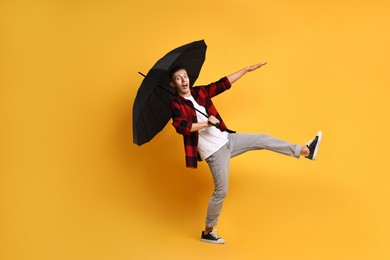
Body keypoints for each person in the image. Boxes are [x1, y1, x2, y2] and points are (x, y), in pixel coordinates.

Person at [168, 62, 322, 244]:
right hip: (214, 152)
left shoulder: (198, 92)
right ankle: (208, 231)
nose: (183, 80)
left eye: (184, 76)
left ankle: (305, 151)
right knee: (221, 191)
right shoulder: (175, 103)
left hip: (227, 139)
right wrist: (207, 123)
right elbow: (182, 127)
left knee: (262, 139)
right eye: (178, 78)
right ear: (173, 84)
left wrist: (246, 70)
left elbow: (222, 84)